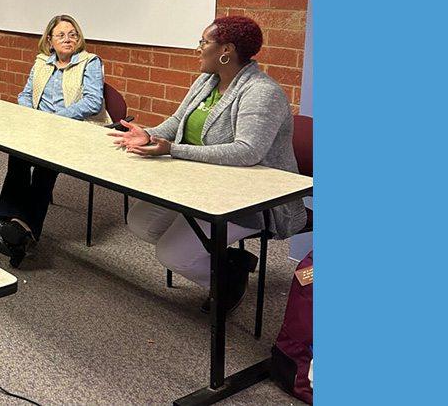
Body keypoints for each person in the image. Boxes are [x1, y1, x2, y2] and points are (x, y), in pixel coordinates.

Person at [110, 16, 307, 313]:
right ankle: (228, 260)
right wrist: (149, 134)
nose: (198, 49)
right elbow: (178, 121)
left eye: (204, 42)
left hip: (248, 198)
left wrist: (174, 150)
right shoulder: (207, 80)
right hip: (197, 183)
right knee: (140, 222)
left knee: (173, 255)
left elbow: (247, 151)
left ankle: (228, 277)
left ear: (225, 50)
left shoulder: (261, 92)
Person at [0, 14, 110, 267]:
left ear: (79, 39)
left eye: (72, 35)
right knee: (17, 157)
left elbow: (92, 102)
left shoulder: (89, 63)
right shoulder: (41, 63)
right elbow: (25, 94)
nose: (68, 39)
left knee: (45, 168)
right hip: (38, 125)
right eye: (61, 35)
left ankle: (24, 230)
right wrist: (31, 114)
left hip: (70, 129)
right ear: (49, 40)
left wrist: (55, 119)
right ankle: (9, 220)